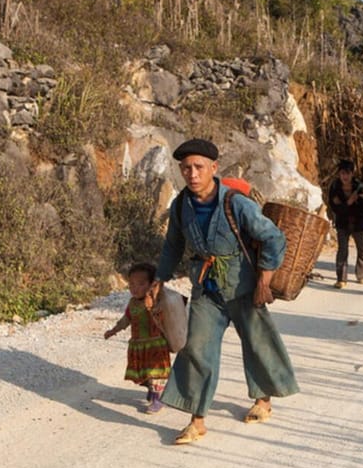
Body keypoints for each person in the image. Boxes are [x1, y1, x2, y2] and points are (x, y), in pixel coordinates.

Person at [153, 138, 300, 445]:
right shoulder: (182, 206)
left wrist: (264, 281)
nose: (192, 174)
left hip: (245, 287)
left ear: (213, 169)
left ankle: (263, 399)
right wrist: (159, 279)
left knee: (258, 342)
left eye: (199, 167)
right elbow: (172, 246)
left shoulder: (236, 203)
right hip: (206, 290)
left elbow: (273, 238)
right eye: (186, 168)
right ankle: (197, 419)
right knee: (196, 348)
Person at [103, 262, 171, 413]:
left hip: (155, 345)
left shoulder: (155, 301)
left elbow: (165, 315)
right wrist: (113, 330)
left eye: (141, 284)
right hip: (139, 345)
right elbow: (126, 320)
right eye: (131, 284)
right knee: (143, 374)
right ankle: (153, 391)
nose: (135, 288)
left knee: (155, 372)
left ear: (151, 284)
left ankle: (157, 399)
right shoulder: (132, 303)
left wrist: (153, 302)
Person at [327, 159, 363, 288]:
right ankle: (341, 278)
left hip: (359, 222)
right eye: (342, 174)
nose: (344, 177)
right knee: (342, 250)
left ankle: (362, 275)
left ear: (352, 174)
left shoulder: (360, 187)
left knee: (362, 248)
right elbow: (335, 207)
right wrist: (349, 203)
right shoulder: (335, 187)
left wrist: (349, 206)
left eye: (347, 173)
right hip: (342, 222)